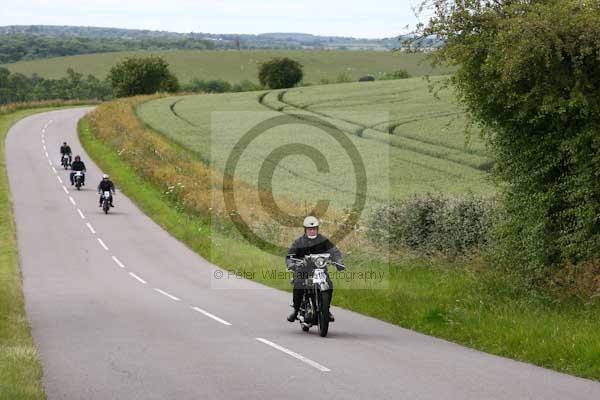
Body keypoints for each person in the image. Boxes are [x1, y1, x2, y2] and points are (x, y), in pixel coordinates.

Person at [286, 216, 344, 323]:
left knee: (329, 284)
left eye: (314, 229)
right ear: (305, 229)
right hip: (303, 270)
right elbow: (290, 255)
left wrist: (339, 262)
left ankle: (326, 309)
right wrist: (292, 264)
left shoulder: (324, 241)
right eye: (309, 229)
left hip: (320, 269)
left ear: (317, 229)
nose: (312, 231)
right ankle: (296, 310)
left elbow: (335, 251)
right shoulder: (299, 242)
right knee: (298, 284)